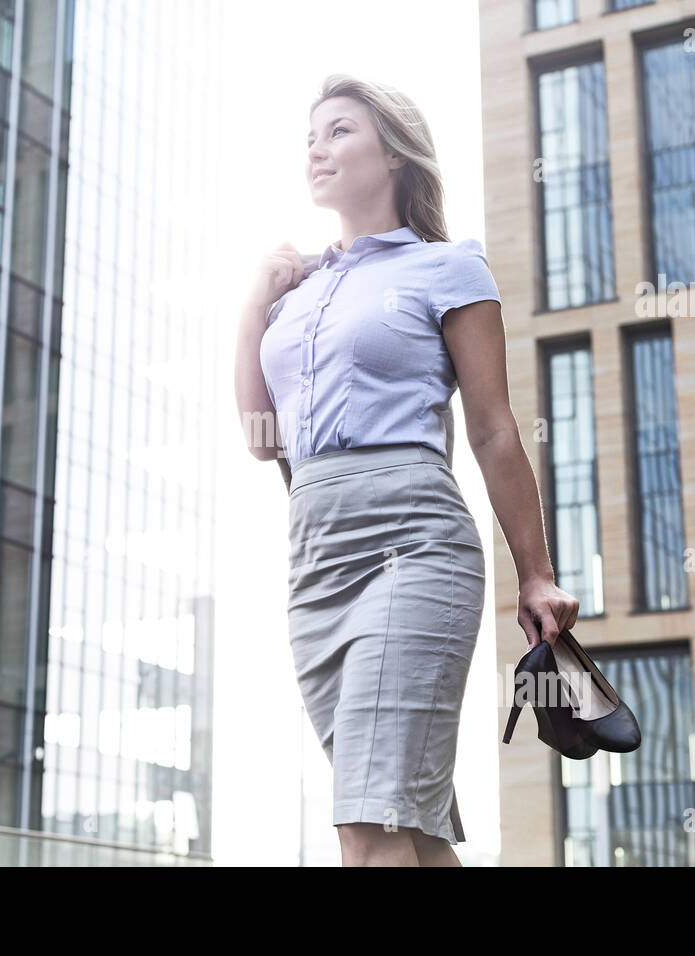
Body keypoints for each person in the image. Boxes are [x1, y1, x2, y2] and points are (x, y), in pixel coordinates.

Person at [233, 74, 581, 867]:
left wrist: (535, 575)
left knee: (368, 819)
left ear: (392, 152)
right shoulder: (297, 294)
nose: (317, 148)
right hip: (315, 556)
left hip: (413, 544)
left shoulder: (448, 268)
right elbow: (262, 438)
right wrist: (255, 299)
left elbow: (494, 430)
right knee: (407, 826)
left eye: (339, 130)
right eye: (310, 136)